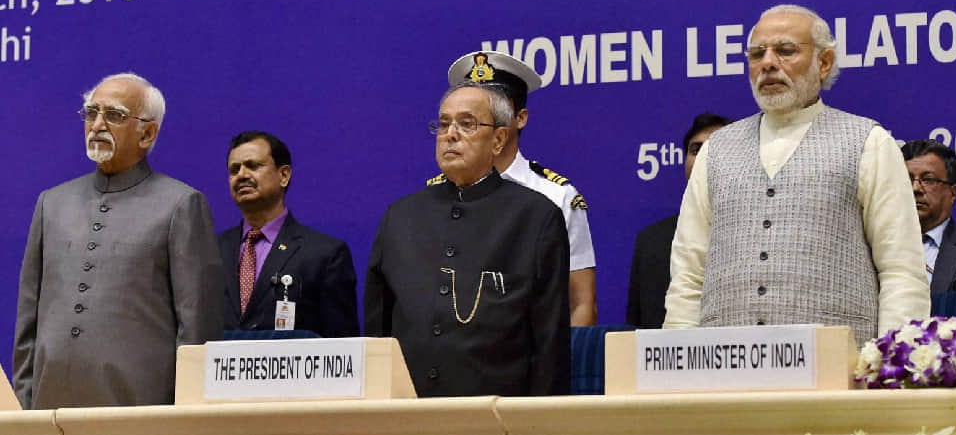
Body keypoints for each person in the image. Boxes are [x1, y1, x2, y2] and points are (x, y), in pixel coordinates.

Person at [664, 4, 930, 344]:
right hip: (724, 375)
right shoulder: (715, 150)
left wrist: (894, 366)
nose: (768, 63)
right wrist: (681, 364)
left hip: (836, 376)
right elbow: (688, 274)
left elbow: (901, 272)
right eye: (757, 54)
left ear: (824, 63)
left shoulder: (870, 143)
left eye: (786, 51)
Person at [13, 73, 222, 409]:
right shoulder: (51, 203)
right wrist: (24, 406)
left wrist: (185, 416)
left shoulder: (180, 205)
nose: (97, 124)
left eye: (114, 115)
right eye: (91, 113)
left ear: (148, 133)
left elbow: (197, 329)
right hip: (49, 407)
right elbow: (28, 322)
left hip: (141, 410)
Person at [366, 82, 569, 396]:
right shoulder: (400, 216)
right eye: (444, 124)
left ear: (499, 139)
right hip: (407, 411)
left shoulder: (536, 216)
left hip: (497, 412)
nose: (451, 134)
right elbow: (378, 330)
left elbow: (549, 341)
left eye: (467, 124)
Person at [430, 51, 598, 326]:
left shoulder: (556, 196)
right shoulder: (432, 200)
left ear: (520, 117)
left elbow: (580, 303)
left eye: (493, 105)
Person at [220, 131, 359, 337]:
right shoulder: (210, 251)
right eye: (234, 169)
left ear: (283, 175)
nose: (241, 175)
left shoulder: (325, 255)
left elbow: (343, 349)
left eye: (253, 166)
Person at [627, 113, 731, 329]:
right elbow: (638, 327)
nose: (703, 157)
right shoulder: (651, 241)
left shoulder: (760, 232)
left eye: (715, 147)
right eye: (696, 150)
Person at [900, 139, 956, 294]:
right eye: (906, 180)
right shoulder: (874, 248)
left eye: (928, 180)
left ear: (953, 193)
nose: (915, 188)